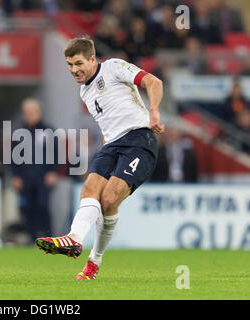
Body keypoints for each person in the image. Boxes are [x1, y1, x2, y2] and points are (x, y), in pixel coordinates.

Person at [35, 37, 164, 280]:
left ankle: (94, 260)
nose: (74, 70)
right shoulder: (85, 91)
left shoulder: (113, 67)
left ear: (93, 59)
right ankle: (73, 239)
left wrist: (154, 110)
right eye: (70, 65)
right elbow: (109, 122)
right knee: (89, 189)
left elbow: (152, 81)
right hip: (112, 144)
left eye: (79, 63)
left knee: (108, 200)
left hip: (139, 140)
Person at [11, 98, 59, 242]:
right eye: (27, 113)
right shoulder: (19, 132)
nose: (29, 115)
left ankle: (48, 237)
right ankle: (32, 239)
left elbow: (56, 153)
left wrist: (53, 171)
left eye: (32, 112)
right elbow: (14, 156)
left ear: (39, 112)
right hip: (26, 177)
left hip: (43, 176)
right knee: (28, 209)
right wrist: (15, 176)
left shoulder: (48, 131)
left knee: (43, 205)